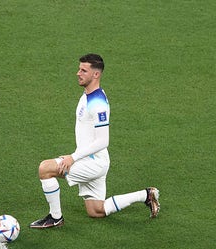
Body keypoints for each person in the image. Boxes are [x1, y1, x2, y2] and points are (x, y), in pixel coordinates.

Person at [30, 53, 160, 229]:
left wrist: (72, 158)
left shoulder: (98, 104)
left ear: (96, 75)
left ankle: (55, 218)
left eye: (84, 70)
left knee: (45, 169)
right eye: (79, 69)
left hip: (94, 163)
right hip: (94, 160)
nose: (78, 73)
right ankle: (146, 195)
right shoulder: (88, 95)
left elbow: (103, 141)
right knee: (96, 211)